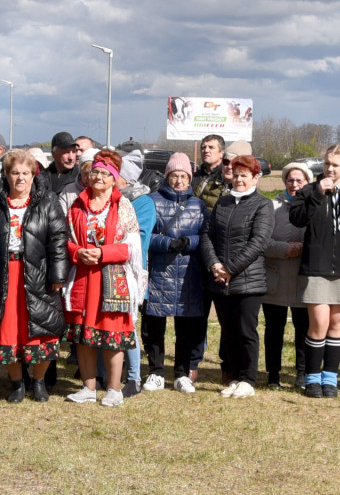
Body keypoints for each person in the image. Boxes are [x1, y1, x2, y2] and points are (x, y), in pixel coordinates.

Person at [0, 150, 68, 403]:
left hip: (39, 275)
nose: (20, 178)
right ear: (6, 175)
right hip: (5, 275)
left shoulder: (47, 204)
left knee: (43, 328)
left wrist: (58, 275)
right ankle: (17, 383)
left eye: (26, 173)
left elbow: (58, 241)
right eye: (15, 172)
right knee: (8, 330)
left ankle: (38, 381)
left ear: (33, 175)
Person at [288, 147, 340, 398]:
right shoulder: (309, 191)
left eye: (335, 165)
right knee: (319, 323)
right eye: (327, 163)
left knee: (337, 323)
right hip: (316, 267)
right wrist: (317, 194)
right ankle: (312, 377)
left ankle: (330, 378)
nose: (329, 169)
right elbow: (297, 219)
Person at [62, 150, 142, 407]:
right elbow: (66, 239)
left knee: (112, 334)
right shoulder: (78, 205)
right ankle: (88, 387)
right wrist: (77, 252)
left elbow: (131, 246)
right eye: (95, 171)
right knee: (83, 333)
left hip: (112, 276)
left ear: (114, 178)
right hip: (83, 276)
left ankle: (114, 389)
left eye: (105, 174)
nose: (98, 177)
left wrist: (103, 253)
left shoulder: (122, 205)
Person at [201, 155, 274, 399]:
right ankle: (233, 376)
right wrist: (214, 264)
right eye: (236, 174)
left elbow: (258, 242)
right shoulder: (222, 203)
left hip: (248, 281)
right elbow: (208, 235)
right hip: (221, 280)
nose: (240, 179)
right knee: (228, 331)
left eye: (245, 175)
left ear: (255, 178)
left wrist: (230, 269)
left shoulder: (263, 205)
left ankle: (248, 379)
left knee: (246, 331)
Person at [143, 152, 207, 394]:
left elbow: (206, 235)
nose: (179, 180)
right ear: (167, 176)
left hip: (189, 273)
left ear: (189, 178)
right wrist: (166, 243)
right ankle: (156, 372)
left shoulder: (198, 204)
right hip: (159, 271)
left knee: (186, 326)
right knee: (154, 325)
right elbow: (143, 234)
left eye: (183, 176)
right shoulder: (152, 201)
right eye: (174, 175)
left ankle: (182, 373)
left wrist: (189, 241)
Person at [262, 162, 312, 390]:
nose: (295, 184)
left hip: (304, 279)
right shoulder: (271, 207)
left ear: (308, 183)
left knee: (304, 328)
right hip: (275, 279)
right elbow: (261, 240)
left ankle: (302, 372)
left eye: (300, 180)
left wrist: (304, 249)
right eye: (290, 180)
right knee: (274, 329)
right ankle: (273, 374)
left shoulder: (315, 207)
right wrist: (285, 249)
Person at [115, 150, 156, 396]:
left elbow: (139, 240)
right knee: (107, 322)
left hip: (130, 270)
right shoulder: (109, 198)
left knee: (128, 322)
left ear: (127, 178)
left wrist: (109, 247)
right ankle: (105, 374)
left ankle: (133, 377)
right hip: (107, 265)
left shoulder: (143, 202)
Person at [192, 134, 225, 213]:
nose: (206, 150)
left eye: (211, 147)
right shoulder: (194, 177)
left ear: (221, 153)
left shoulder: (226, 177)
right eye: (203, 147)